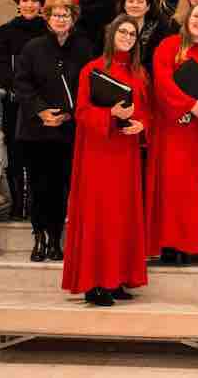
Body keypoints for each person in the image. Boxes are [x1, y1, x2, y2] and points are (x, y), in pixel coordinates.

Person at [62, 16, 150, 306]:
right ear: (111, 34)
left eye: (132, 34)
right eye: (122, 32)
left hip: (126, 153)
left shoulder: (139, 73)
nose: (127, 37)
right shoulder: (93, 69)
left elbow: (146, 111)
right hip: (98, 154)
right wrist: (111, 114)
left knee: (123, 216)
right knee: (100, 216)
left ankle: (117, 278)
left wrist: (141, 126)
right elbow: (83, 113)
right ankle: (94, 282)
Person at [13, 0, 94, 262]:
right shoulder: (32, 48)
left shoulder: (84, 49)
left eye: (65, 15)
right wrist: (41, 111)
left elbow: (89, 85)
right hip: (37, 129)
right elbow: (22, 84)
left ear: (73, 19)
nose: (60, 19)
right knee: (39, 185)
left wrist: (68, 114)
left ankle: (56, 238)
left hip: (68, 129)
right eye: (56, 15)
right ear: (47, 18)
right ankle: (39, 238)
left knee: (60, 187)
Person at [148, 4, 198, 266]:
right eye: (196, 16)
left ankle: (190, 244)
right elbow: (162, 81)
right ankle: (169, 244)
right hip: (173, 127)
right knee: (171, 186)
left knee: (194, 189)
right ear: (186, 19)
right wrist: (187, 105)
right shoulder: (169, 46)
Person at [0, 0, 48, 220]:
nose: (29, 5)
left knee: (42, 154)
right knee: (16, 154)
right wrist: (19, 90)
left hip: (44, 103)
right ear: (18, 4)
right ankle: (18, 205)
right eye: (25, 0)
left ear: (41, 5)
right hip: (16, 102)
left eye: (34, 0)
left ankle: (39, 204)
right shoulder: (5, 32)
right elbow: (1, 69)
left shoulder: (49, 31)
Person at [121, 0, 163, 71]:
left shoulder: (159, 30)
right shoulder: (112, 29)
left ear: (148, 7)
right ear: (124, 6)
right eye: (131, 1)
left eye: (140, 2)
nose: (135, 5)